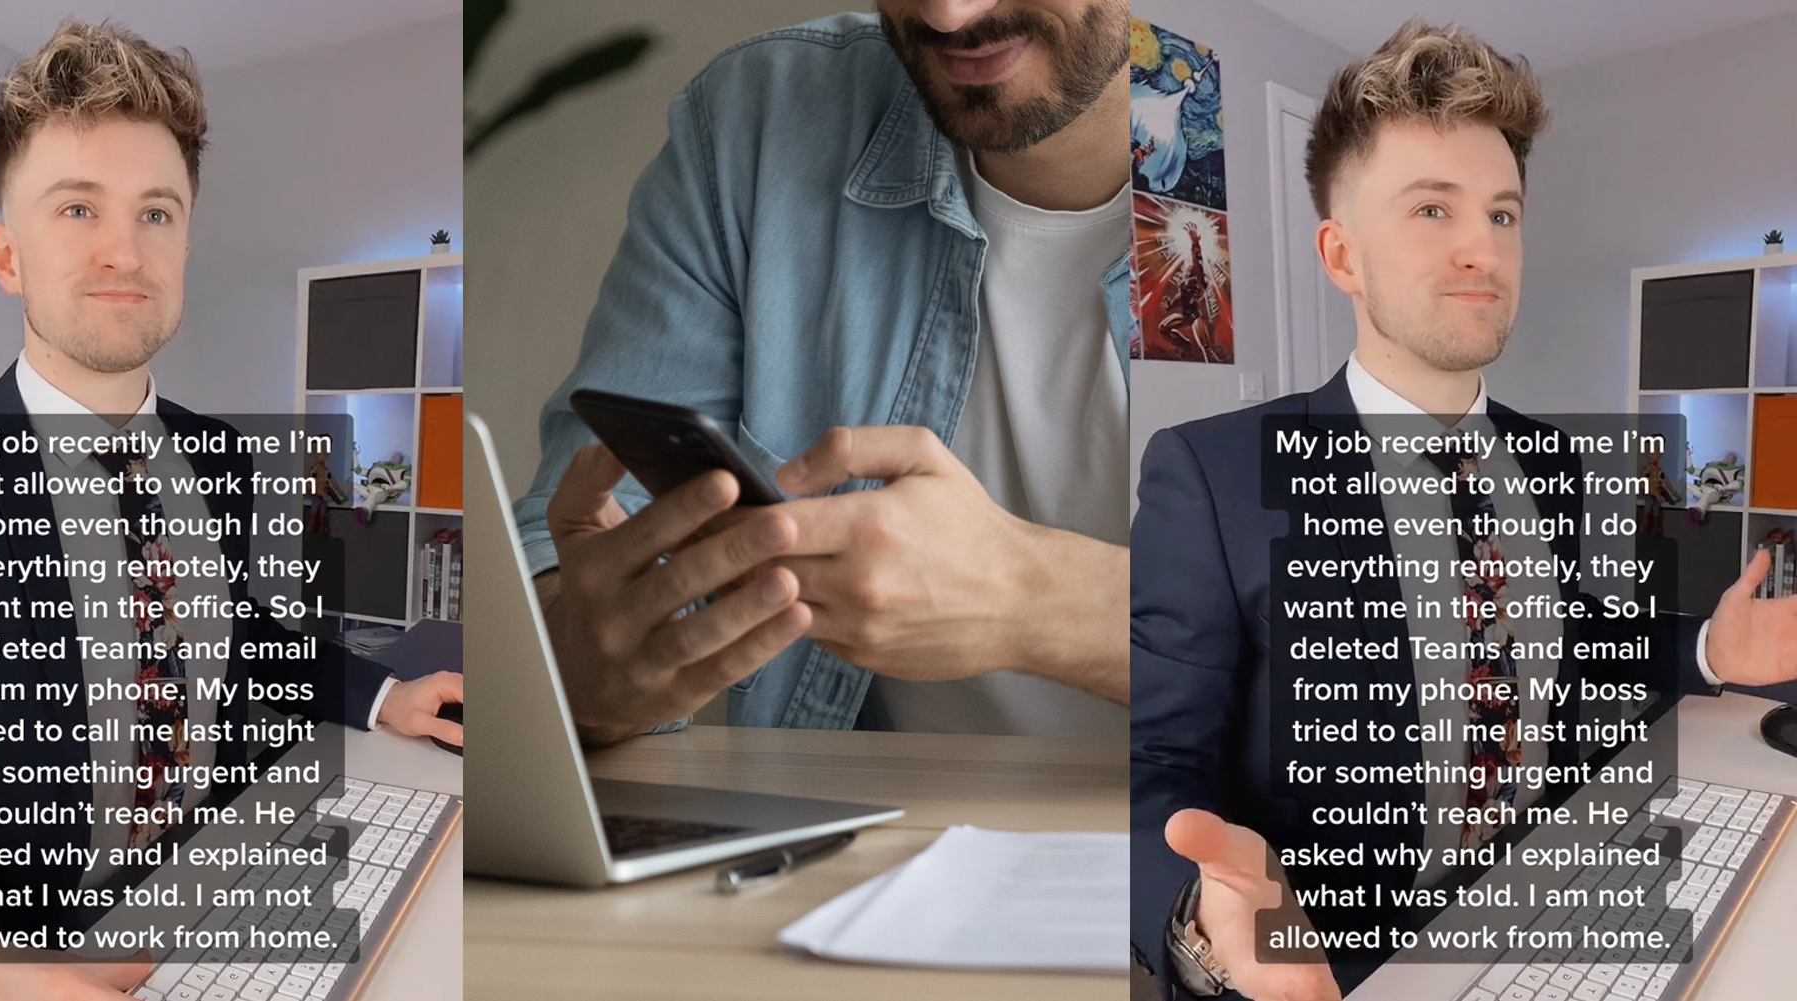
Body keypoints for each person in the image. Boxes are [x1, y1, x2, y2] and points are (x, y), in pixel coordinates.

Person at [1128, 20, 1797, 999]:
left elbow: (1577, 636)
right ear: (1341, 254)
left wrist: (1706, 652)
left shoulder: (1557, 462)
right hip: (1349, 961)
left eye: (1501, 214)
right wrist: (1198, 911)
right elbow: (1149, 760)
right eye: (1430, 210)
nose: (1480, 246)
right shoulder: (1207, 475)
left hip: (1560, 900)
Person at [0, 20, 463, 1001]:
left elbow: (245, 639)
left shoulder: (226, 457)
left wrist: (378, 695)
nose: (123, 249)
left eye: (156, 213)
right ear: (7, 253)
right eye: (76, 208)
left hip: (233, 888)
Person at [513, 0, 1136, 746]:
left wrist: (1029, 599)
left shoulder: (1282, 150)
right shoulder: (756, 120)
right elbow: (562, 579)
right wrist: (584, 674)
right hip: (863, 844)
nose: (947, 15)